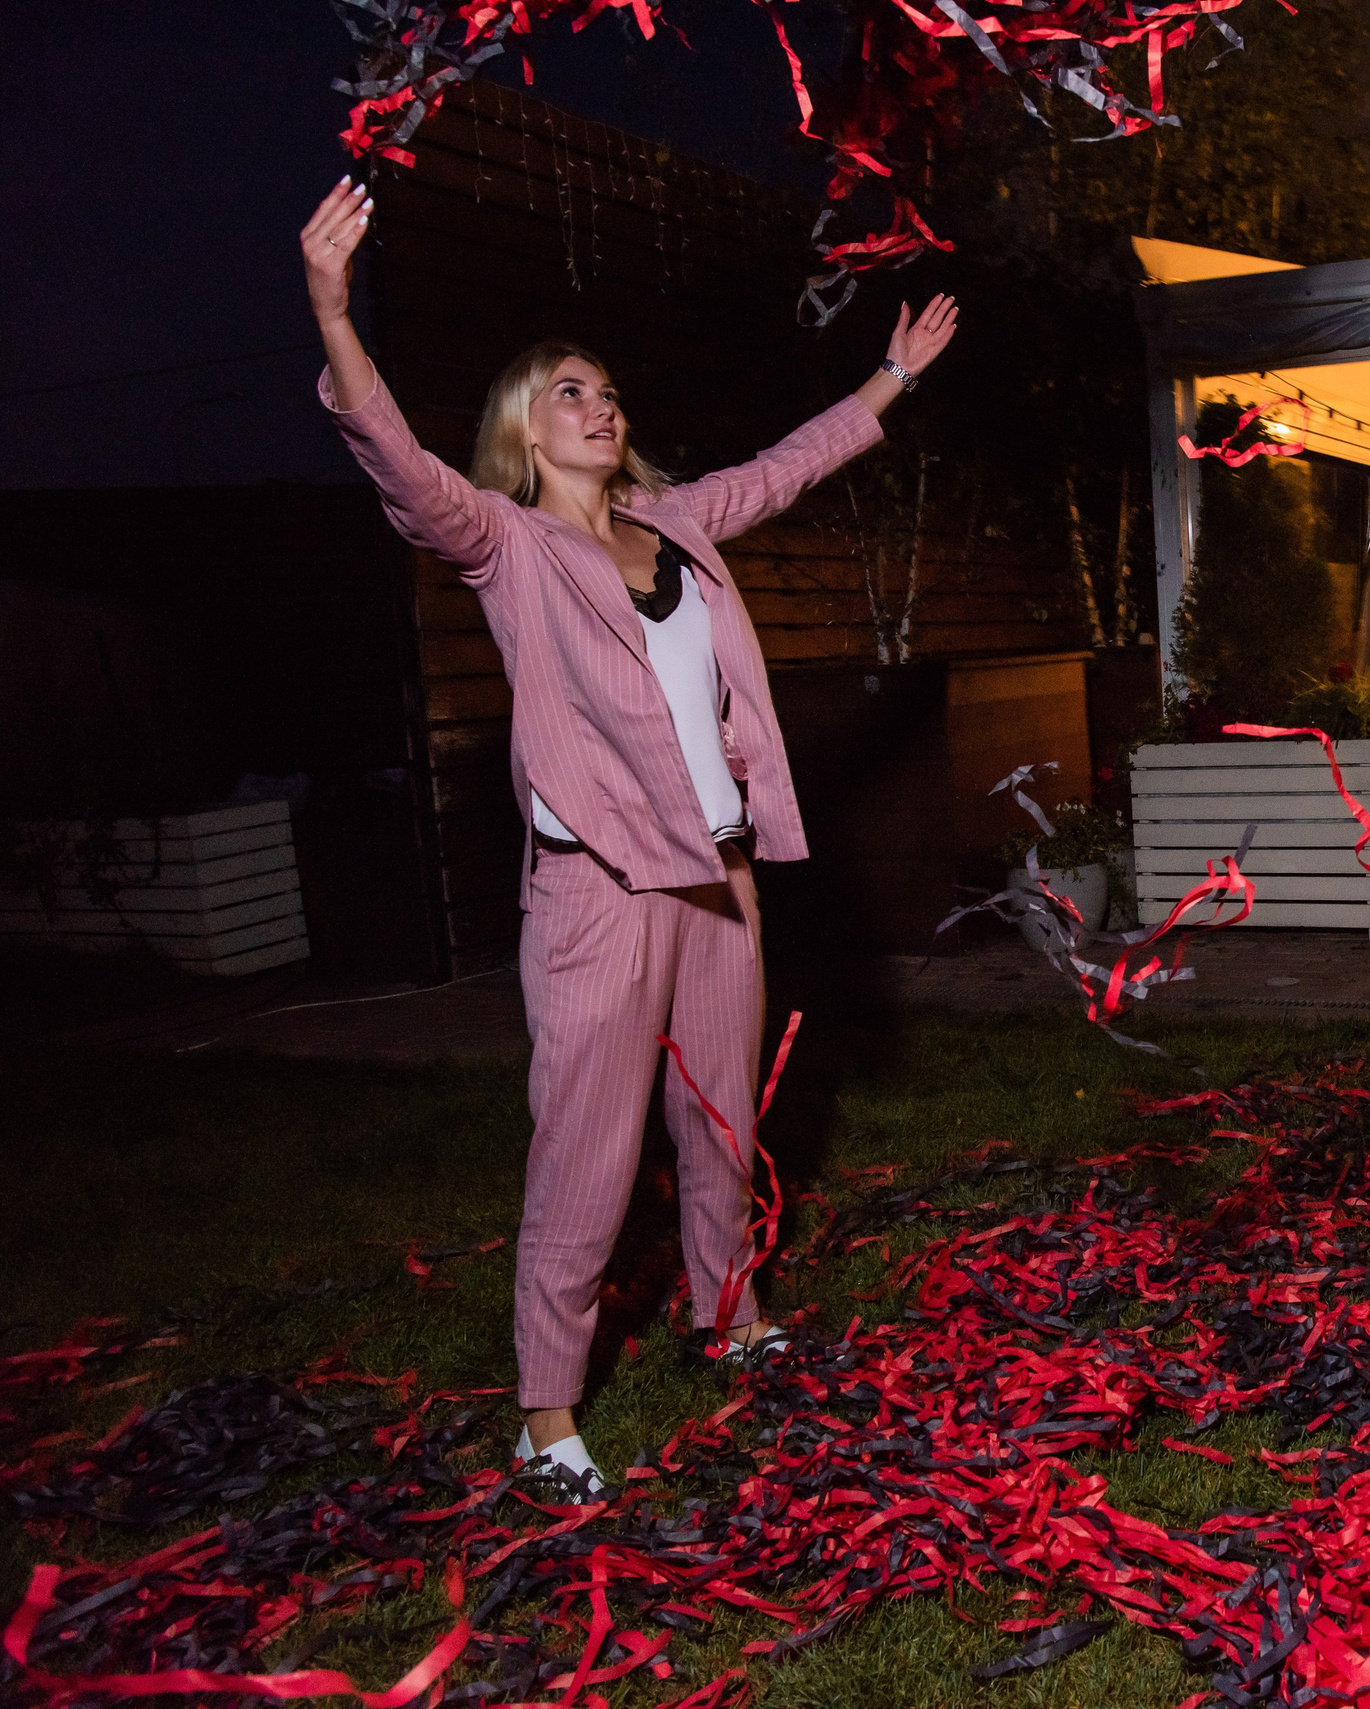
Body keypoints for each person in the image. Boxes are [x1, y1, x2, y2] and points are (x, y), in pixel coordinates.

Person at [299, 179, 958, 1496]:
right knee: (589, 1147)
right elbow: (396, 461)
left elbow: (782, 470)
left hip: (717, 884)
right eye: (570, 396)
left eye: (606, 393)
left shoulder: (675, 528)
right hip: (598, 898)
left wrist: (887, 379)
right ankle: (546, 1410)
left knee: (718, 1122)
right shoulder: (505, 547)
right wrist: (331, 305)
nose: (601, 409)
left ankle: (732, 1314)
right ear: (522, 435)